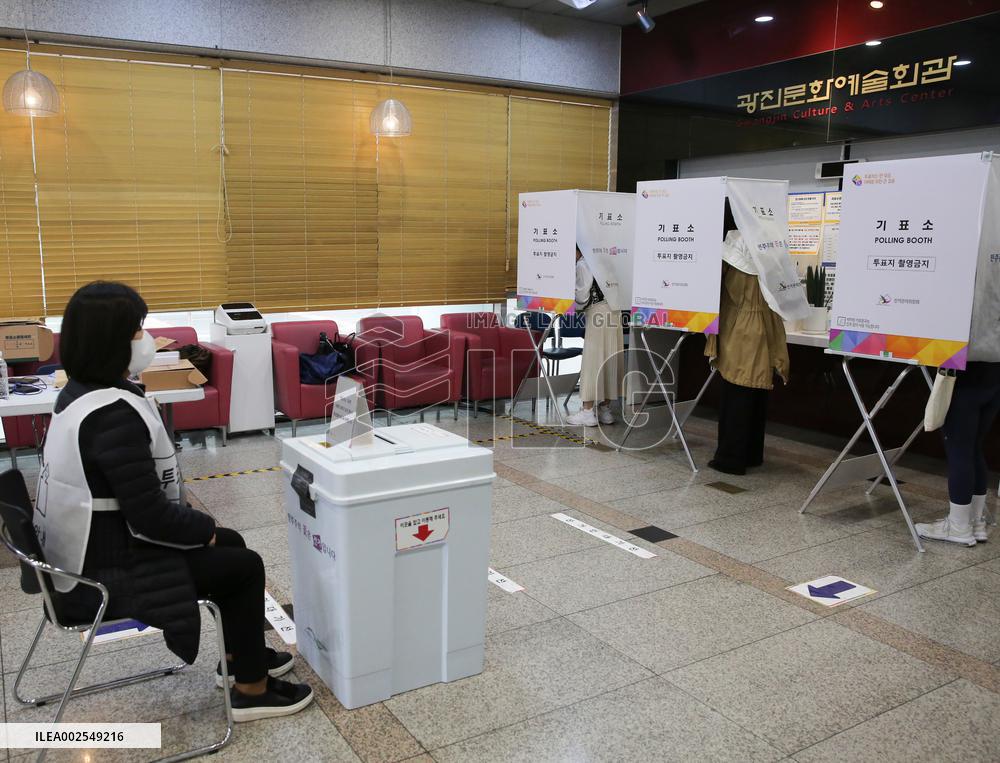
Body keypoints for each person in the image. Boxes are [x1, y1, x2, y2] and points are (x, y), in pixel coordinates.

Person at [33, 281, 313, 722]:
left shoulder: (79, 394)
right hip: (105, 572)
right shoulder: (112, 417)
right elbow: (149, 518)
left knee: (232, 541)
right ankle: (252, 692)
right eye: (136, 332)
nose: (145, 340)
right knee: (244, 564)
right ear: (110, 342)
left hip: (92, 550)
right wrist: (205, 531)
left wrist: (207, 531)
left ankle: (242, 658)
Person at [704, 202, 789, 475]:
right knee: (756, 392)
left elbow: (713, 289)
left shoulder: (730, 250)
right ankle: (753, 453)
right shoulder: (769, 248)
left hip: (739, 326)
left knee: (736, 392)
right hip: (767, 324)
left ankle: (730, 458)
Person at [915, 363, 1000, 546]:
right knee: (974, 447)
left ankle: (958, 527)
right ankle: (975, 523)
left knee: (959, 449)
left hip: (964, 373)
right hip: (995, 373)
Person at [566, 246, 625, 426]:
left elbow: (582, 297)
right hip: (615, 310)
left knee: (593, 361)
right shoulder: (610, 258)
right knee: (610, 359)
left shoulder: (584, 264)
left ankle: (587, 411)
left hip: (598, 313)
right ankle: (605, 410)